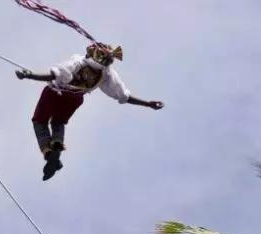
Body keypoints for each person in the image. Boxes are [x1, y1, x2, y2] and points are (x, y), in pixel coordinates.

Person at [14, 43, 164, 181]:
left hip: (55, 93)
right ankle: (56, 149)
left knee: (39, 121)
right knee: (58, 121)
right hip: (75, 99)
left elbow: (55, 74)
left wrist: (29, 75)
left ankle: (48, 153)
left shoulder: (78, 62)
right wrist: (147, 104)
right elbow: (123, 95)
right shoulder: (106, 74)